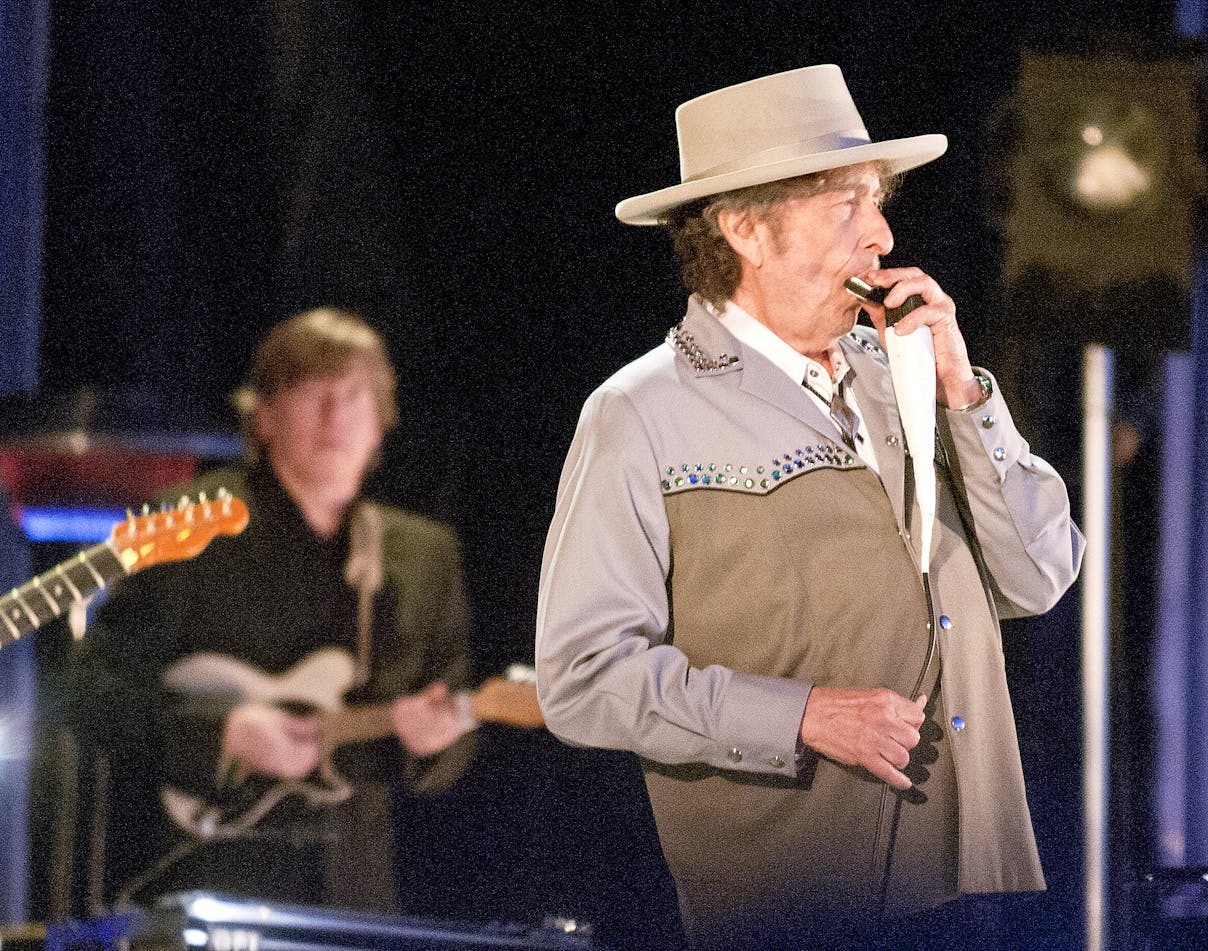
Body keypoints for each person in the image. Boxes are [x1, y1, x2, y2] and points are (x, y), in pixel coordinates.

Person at [535, 65, 1083, 949]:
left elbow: (1042, 572)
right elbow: (582, 678)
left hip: (974, 885)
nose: (882, 233)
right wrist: (798, 714)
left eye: (877, 201)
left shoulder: (905, 375)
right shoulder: (642, 411)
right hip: (801, 904)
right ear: (747, 228)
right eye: (846, 205)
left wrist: (960, 389)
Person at [70, 307, 542, 912]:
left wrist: (435, 742)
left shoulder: (424, 554)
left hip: (354, 886)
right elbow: (88, 691)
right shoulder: (184, 524)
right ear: (263, 416)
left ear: (381, 423)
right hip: (197, 871)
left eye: (353, 396)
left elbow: (447, 732)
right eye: (310, 392)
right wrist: (222, 731)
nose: (335, 415)